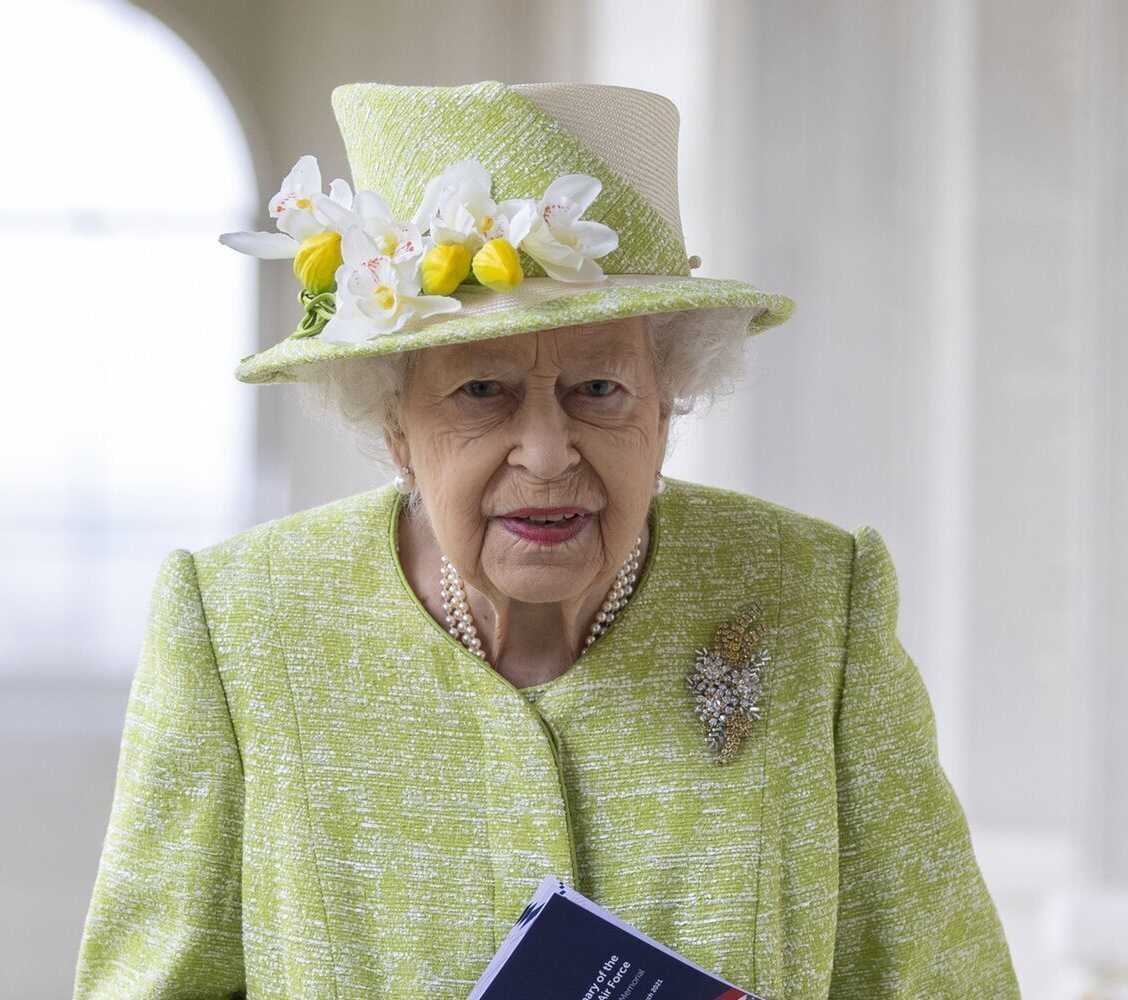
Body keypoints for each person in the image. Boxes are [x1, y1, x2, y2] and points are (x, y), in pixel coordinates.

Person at [70, 79, 1020, 1000]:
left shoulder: (815, 596)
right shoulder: (242, 622)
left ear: (668, 398)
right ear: (393, 423)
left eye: (597, 389)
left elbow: (943, 981)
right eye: (481, 392)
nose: (547, 451)